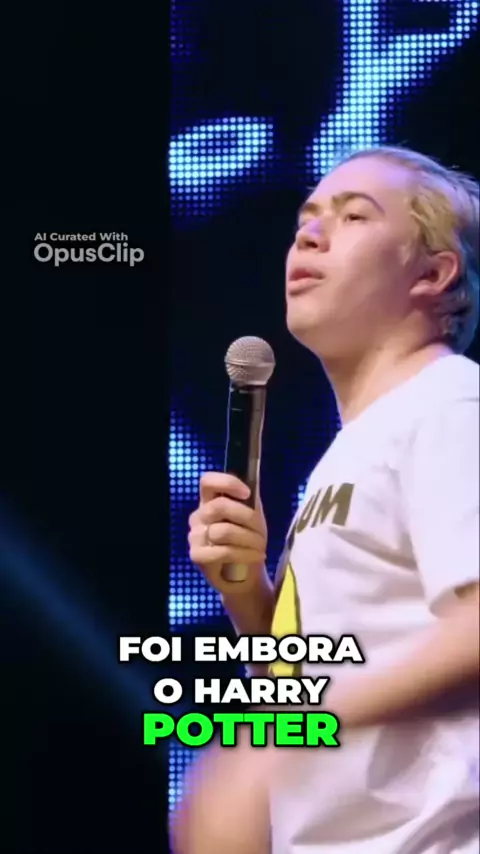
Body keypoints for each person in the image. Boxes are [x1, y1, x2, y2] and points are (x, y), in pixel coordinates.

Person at [171, 146, 480, 854]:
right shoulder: (354, 448)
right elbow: (306, 679)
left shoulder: (449, 404)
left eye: (353, 216)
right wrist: (249, 594)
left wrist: (267, 752)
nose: (308, 236)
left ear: (433, 273)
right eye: (305, 221)